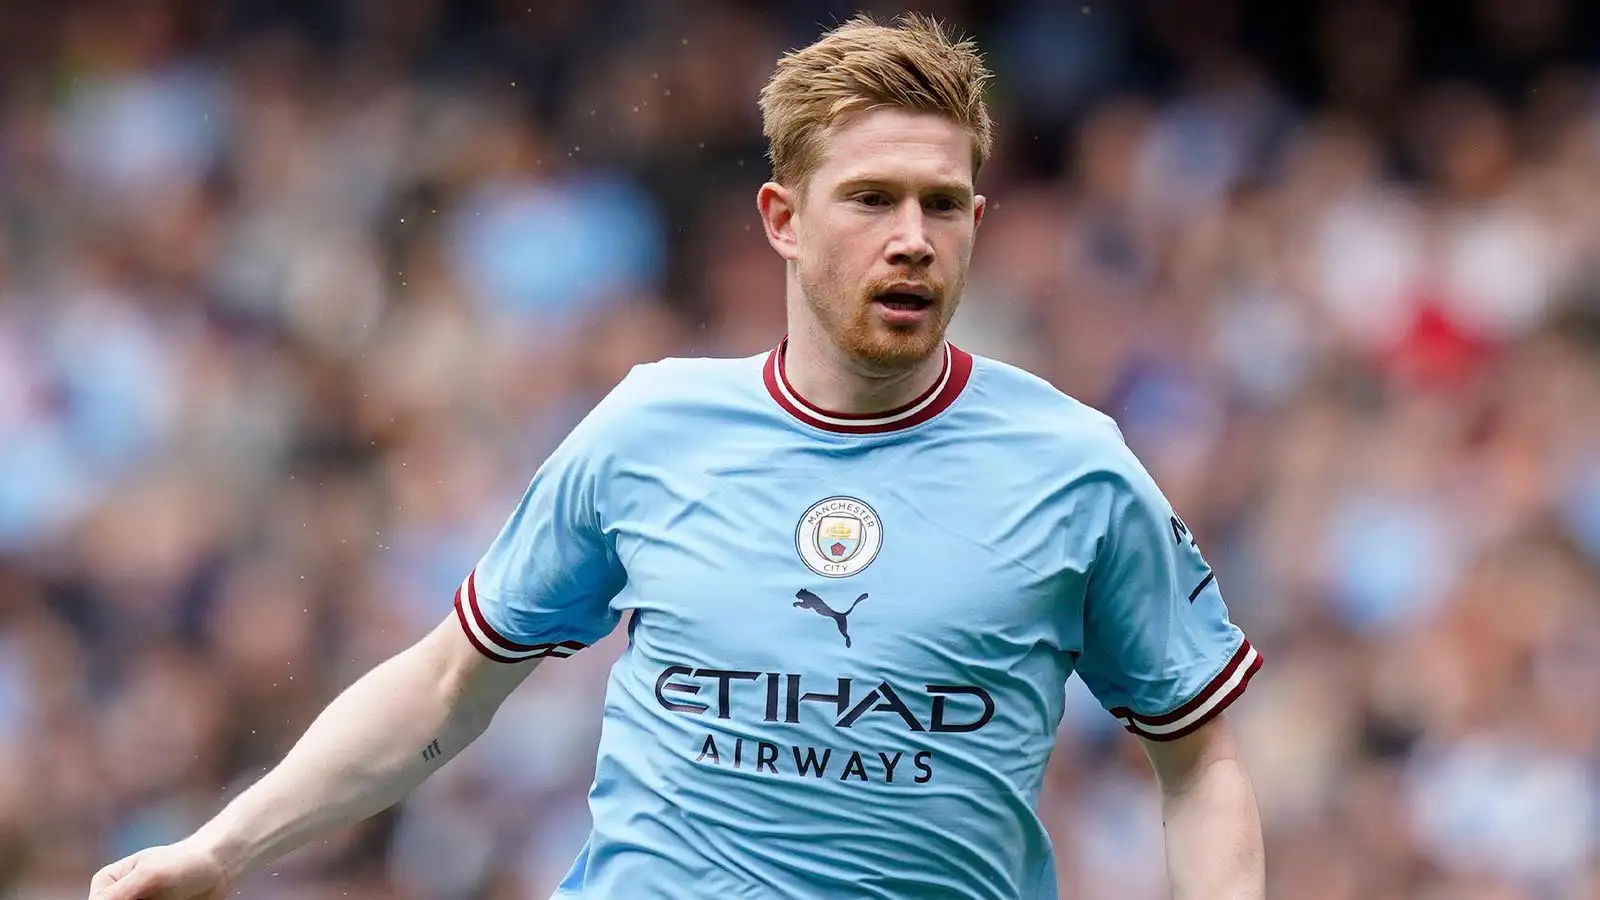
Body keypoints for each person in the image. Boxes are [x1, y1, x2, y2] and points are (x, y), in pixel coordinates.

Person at [86, 13, 1266, 900]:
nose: (911, 239)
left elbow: (1197, 763)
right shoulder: (650, 431)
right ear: (781, 220)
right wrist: (217, 851)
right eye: (870, 199)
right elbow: (450, 683)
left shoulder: (1075, 468)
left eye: (941, 205)